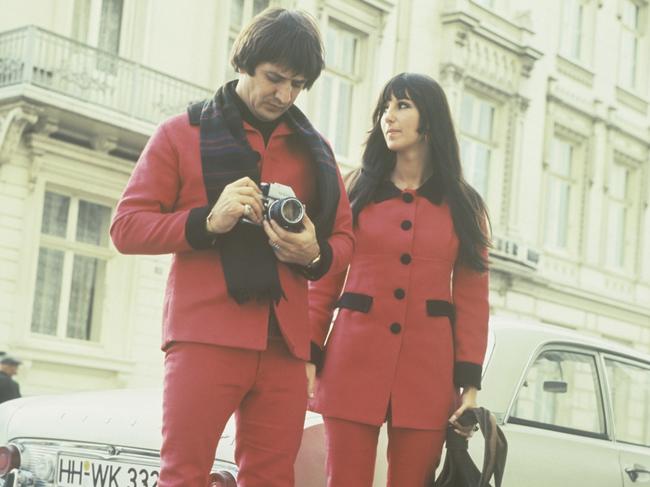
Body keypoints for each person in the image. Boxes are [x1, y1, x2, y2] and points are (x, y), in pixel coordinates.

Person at [110, 9, 354, 487]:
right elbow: (126, 227)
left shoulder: (316, 149)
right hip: (204, 335)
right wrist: (207, 221)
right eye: (274, 78)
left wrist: (315, 253)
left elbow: (344, 239)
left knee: (271, 480)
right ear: (245, 63)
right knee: (184, 476)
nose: (283, 95)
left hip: (284, 344)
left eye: (297, 85)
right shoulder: (181, 133)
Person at [308, 73, 490, 486]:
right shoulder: (355, 190)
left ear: (431, 120)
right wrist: (308, 354)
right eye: (385, 108)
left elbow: (473, 302)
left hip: (428, 373)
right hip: (351, 362)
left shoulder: (464, 205)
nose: (388, 117)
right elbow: (323, 280)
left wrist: (470, 389)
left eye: (402, 106)